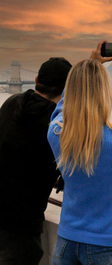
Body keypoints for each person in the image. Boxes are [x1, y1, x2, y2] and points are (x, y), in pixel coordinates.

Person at [47, 42, 112, 264]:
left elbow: (61, 109)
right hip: (107, 246)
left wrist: (89, 66)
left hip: (66, 240)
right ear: (105, 93)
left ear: (71, 92)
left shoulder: (57, 133)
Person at [0, 57, 72, 265]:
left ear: (36, 79)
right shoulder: (56, 124)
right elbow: (71, 174)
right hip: (21, 224)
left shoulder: (11, 103)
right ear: (68, 89)